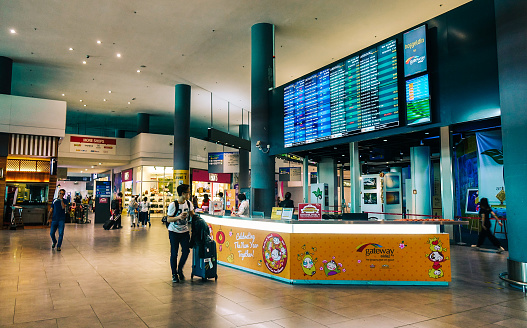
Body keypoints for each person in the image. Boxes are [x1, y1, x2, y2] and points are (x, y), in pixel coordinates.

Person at [166, 184, 194, 283]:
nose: (189, 194)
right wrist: (179, 217)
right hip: (174, 232)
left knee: (186, 251)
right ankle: (174, 274)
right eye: (188, 192)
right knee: (174, 253)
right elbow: (168, 219)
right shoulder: (173, 205)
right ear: (183, 193)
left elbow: (192, 215)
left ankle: (180, 269)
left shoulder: (189, 204)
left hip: (185, 231)